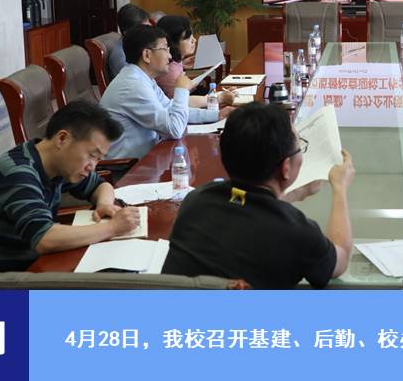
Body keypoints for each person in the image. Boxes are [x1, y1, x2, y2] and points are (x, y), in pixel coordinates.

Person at [162, 102, 355, 289]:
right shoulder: (298, 232)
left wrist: (296, 194)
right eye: (300, 147)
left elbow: (247, 211)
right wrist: (340, 188)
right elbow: (341, 259)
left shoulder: (196, 201)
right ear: (286, 168)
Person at [0, 101, 140, 278]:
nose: (93, 166)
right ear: (62, 139)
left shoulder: (54, 163)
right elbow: (45, 238)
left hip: (31, 267)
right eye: (92, 155)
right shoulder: (17, 173)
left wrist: (104, 204)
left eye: (99, 159)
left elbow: (101, 185)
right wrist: (112, 227)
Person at [100, 24, 232, 159]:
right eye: (165, 49)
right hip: (129, 168)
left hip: (150, 157)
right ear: (147, 55)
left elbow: (170, 108)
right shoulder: (132, 86)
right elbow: (174, 129)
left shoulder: (142, 78)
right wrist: (181, 90)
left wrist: (217, 115)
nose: (170, 56)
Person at [154, 15, 235, 107]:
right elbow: (180, 102)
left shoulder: (172, 62)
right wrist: (219, 97)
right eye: (188, 38)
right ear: (172, 43)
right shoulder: (168, 70)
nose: (194, 40)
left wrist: (182, 64)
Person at [107, 3, 151, 79]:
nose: (148, 32)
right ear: (127, 32)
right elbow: (136, 81)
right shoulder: (121, 57)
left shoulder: (137, 45)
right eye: (143, 29)